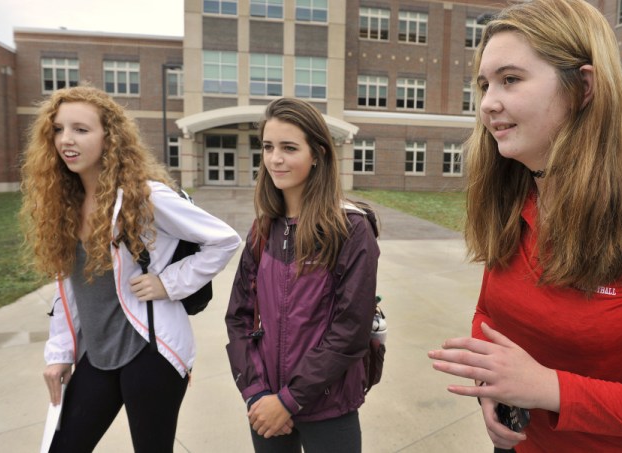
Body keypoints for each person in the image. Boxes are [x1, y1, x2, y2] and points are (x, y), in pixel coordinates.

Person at [427, 0, 622, 452]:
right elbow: (491, 313)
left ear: (583, 87)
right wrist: (491, 386)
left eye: (510, 79)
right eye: (484, 84)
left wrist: (550, 388)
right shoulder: (513, 197)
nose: (489, 103)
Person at [19, 85, 241, 452]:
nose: (66, 140)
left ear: (110, 137)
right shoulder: (65, 204)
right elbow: (70, 289)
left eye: (81, 129)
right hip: (98, 354)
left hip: (150, 353)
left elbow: (224, 239)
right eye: (58, 129)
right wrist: (59, 354)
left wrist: (168, 283)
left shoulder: (144, 196)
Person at [225, 97, 379, 453]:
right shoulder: (263, 228)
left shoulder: (350, 228)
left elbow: (350, 331)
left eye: (289, 148)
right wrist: (257, 392)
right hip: (265, 405)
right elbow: (238, 317)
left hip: (328, 407)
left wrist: (290, 400)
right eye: (268, 147)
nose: (275, 158)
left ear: (318, 154)